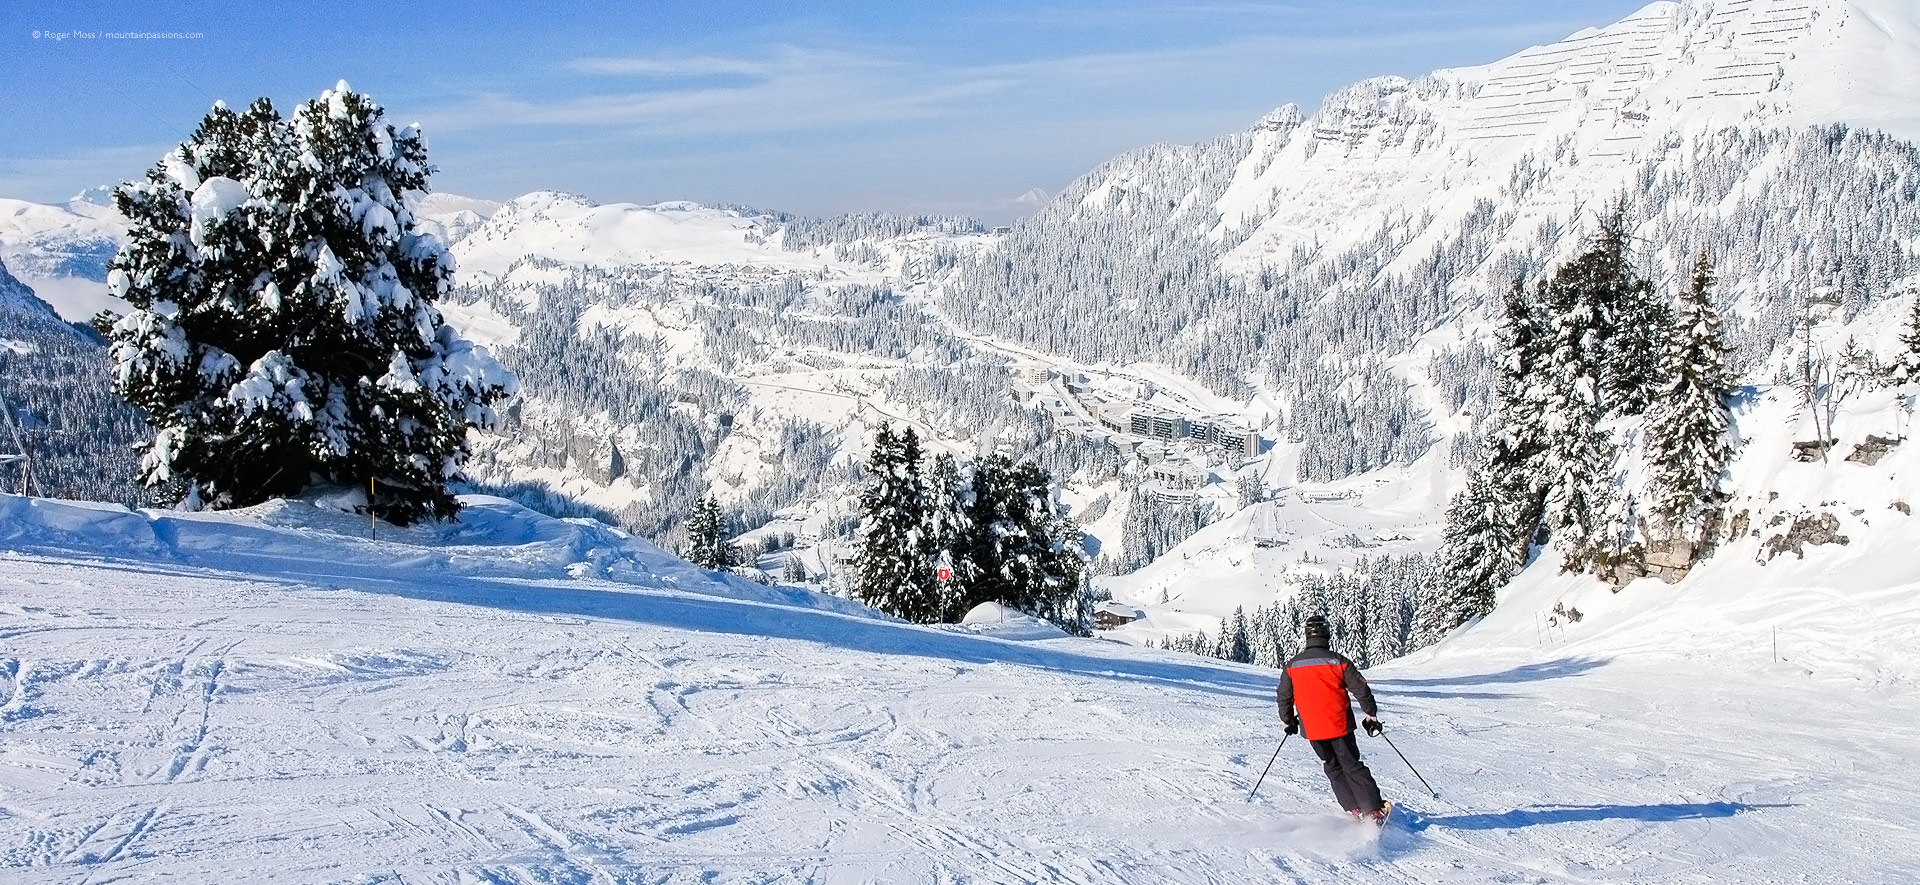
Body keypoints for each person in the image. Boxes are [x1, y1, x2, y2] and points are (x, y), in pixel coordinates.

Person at [1274, 614, 1388, 821]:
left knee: (1332, 765)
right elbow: (1361, 689)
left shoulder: (1292, 666)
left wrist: (1288, 721)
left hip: (1312, 729)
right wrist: (1371, 715)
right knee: (1351, 764)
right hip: (1339, 724)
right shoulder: (1338, 661)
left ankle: (1353, 807)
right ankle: (1372, 810)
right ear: (1327, 634)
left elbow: (1284, 695)